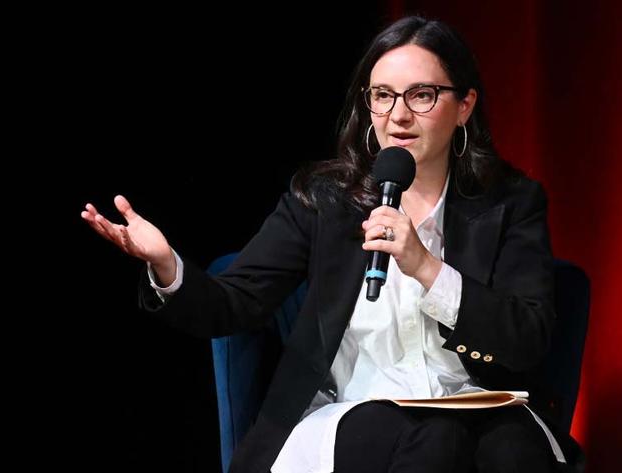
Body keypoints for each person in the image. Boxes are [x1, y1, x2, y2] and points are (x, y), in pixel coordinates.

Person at [82, 15, 582, 473]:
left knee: (510, 451)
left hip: (479, 404)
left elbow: (528, 337)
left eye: (421, 95)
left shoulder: (511, 201)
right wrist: (167, 265)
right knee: (437, 443)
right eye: (382, 95)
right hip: (359, 406)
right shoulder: (325, 200)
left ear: (464, 106)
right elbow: (233, 305)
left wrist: (427, 267)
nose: (398, 115)